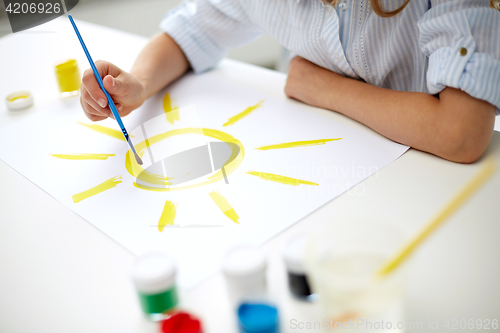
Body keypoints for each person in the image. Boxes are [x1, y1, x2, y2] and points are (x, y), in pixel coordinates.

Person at [80, 0, 500, 163]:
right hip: (332, 162)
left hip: (426, 170)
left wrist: (324, 88)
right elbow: (194, 33)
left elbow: (459, 132)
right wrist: (139, 82)